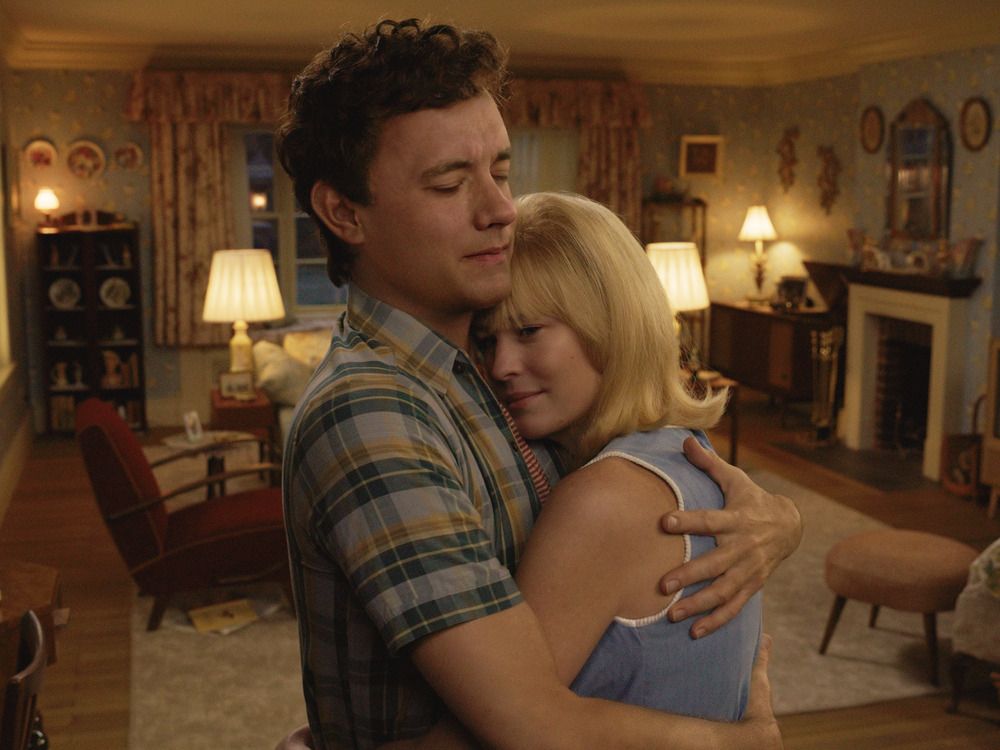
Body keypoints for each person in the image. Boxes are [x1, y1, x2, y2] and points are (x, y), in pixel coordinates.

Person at [276, 18, 800, 750]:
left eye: (500, 172)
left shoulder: (474, 367)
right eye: (449, 183)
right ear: (343, 212)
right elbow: (528, 722)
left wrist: (780, 519)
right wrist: (737, 742)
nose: (498, 210)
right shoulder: (372, 409)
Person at [481, 191, 761, 719]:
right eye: (486, 340)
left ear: (608, 322)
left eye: (528, 331)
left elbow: (504, 723)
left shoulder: (603, 498)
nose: (501, 366)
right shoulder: (683, 447)